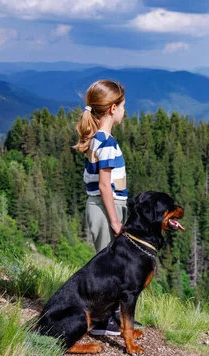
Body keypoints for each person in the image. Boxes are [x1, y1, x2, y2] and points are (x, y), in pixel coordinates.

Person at [74, 79, 127, 336]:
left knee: (109, 263)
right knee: (110, 267)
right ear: (112, 109)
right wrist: (116, 220)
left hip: (100, 206)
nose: (125, 111)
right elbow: (105, 185)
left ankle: (109, 317)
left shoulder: (95, 138)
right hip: (108, 207)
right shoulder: (107, 143)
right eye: (124, 106)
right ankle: (102, 321)